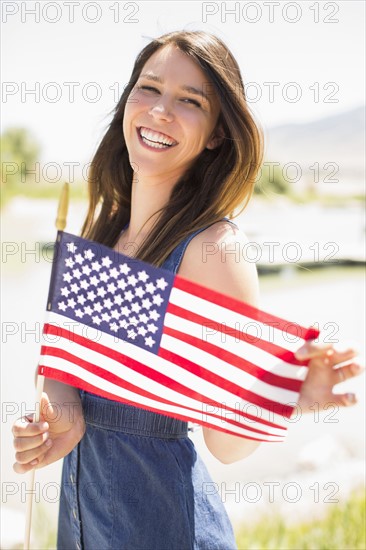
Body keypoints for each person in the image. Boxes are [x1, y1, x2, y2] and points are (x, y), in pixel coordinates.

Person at [12, 31, 362, 549]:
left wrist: (279, 395)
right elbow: (62, 362)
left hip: (165, 529)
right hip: (80, 526)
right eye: (149, 89)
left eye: (189, 101)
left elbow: (225, 443)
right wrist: (55, 411)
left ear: (218, 133)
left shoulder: (213, 248)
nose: (159, 112)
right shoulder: (102, 227)